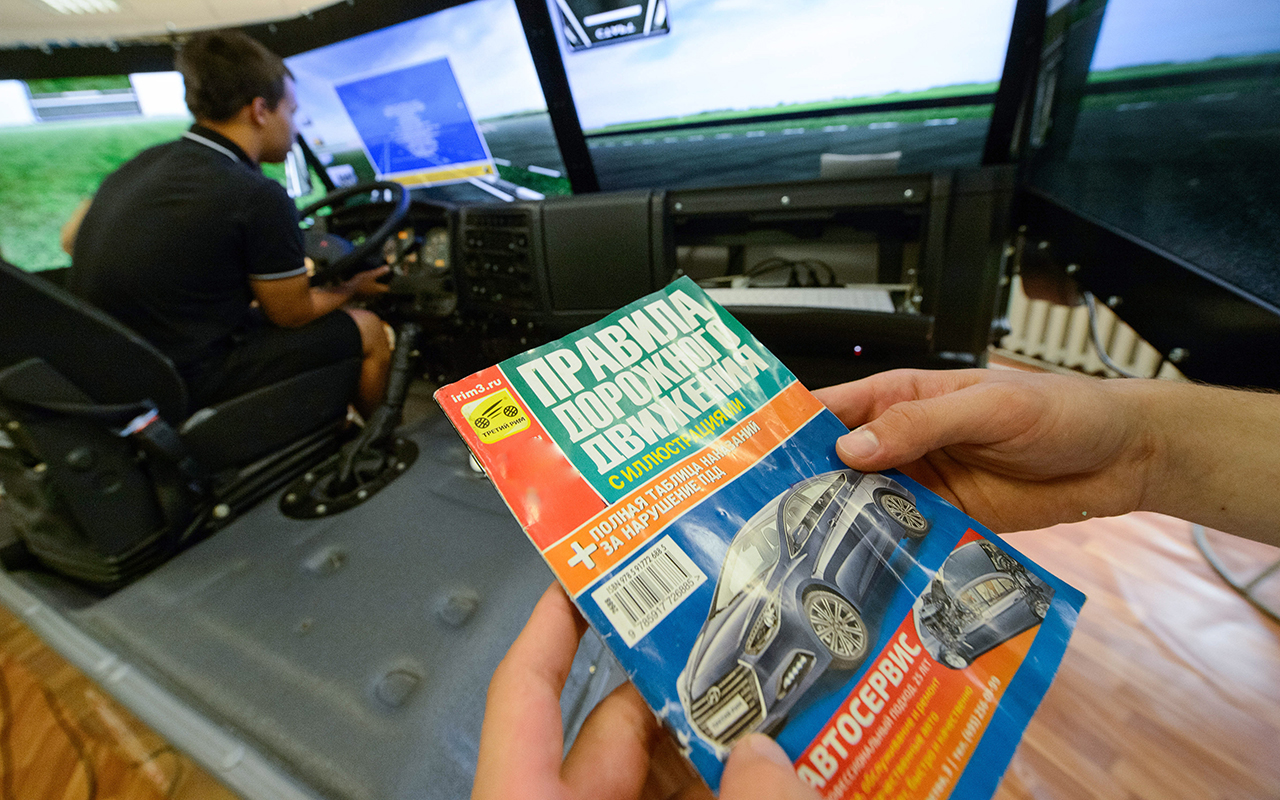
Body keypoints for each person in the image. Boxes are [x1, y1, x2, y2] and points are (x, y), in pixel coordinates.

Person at [473, 367, 1280, 800]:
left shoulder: (813, 529)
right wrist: (1142, 446)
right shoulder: (755, 590)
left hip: (822, 541)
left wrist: (1142, 445)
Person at [67, 30, 391, 417]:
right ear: (260, 110)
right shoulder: (257, 194)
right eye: (291, 112)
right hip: (185, 381)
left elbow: (70, 239)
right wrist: (353, 288)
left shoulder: (143, 162)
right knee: (368, 328)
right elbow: (292, 314)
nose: (295, 127)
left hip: (112, 373)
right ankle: (383, 444)